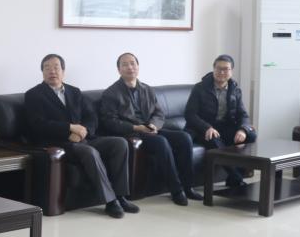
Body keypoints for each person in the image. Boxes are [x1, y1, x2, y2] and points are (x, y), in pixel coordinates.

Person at [24, 53, 135, 218]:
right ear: (42, 72)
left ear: (63, 71)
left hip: (83, 139)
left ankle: (120, 196)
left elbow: (91, 116)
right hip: (58, 143)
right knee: (89, 152)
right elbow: (38, 124)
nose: (52, 71)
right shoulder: (33, 95)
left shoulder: (74, 92)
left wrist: (84, 131)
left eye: (56, 67)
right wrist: (69, 128)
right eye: (47, 68)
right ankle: (110, 201)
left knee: (120, 143)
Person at [100, 52, 198, 205]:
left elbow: (159, 113)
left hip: (150, 129)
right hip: (131, 133)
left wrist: (154, 125)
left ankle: (188, 186)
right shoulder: (111, 93)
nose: (130, 67)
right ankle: (176, 190)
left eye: (133, 63)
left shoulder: (147, 89)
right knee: (161, 142)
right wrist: (136, 127)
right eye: (125, 64)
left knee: (184, 138)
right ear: (119, 70)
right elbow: (109, 122)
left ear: (138, 67)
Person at [184, 54, 257, 190]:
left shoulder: (235, 89)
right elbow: (190, 114)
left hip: (225, 127)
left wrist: (243, 129)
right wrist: (207, 127)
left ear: (231, 71)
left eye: (226, 69)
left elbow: (243, 114)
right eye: (219, 68)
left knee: (251, 135)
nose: (222, 72)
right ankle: (237, 179)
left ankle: (234, 178)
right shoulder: (200, 88)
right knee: (214, 138)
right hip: (202, 128)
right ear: (213, 69)